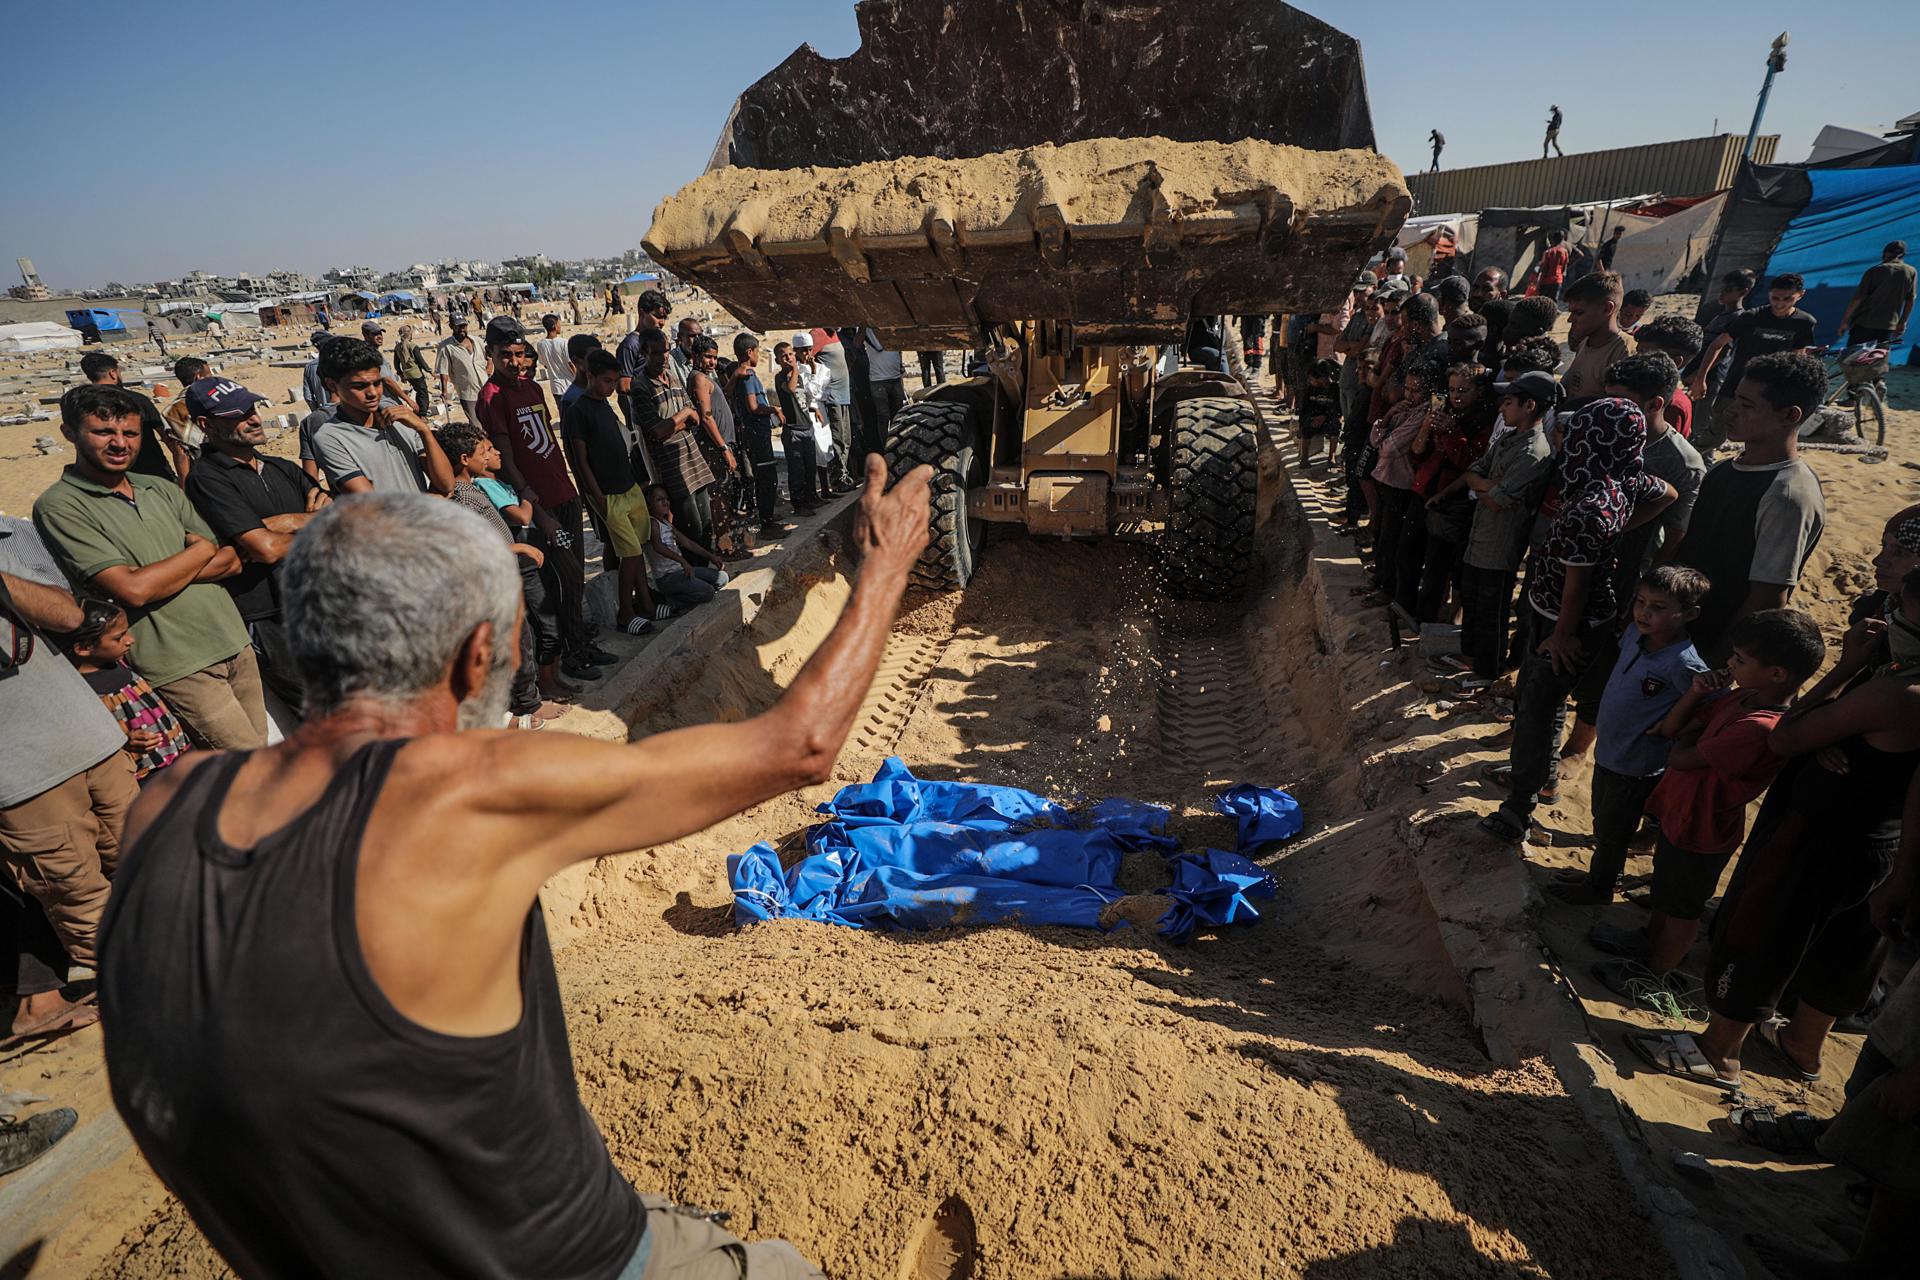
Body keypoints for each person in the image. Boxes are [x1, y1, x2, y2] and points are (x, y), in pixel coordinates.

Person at [98, 462, 930, 1279]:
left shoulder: (166, 805)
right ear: (476, 655)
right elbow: (801, 744)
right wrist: (885, 565)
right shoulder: (467, 795)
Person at [1631, 590, 1918, 1093]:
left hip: (1822, 836)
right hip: (1879, 844)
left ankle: (1717, 1052)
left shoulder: (1898, 690)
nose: (1890, 618)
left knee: (1763, 935)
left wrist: (1842, 675)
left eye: (1904, 613)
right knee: (1846, 952)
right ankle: (1800, 1046)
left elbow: (1786, 736)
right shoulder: (1896, 683)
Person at [1478, 398, 1677, 843]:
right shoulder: (1622, 480)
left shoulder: (1590, 507)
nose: (1563, 439)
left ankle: (1518, 808)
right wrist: (1617, 531)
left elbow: (1578, 583)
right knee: (1548, 703)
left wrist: (1563, 634)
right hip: (1576, 613)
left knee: (1535, 708)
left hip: (1566, 622)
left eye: (1574, 433)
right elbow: (1668, 493)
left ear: (1592, 440)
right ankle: (1546, 780)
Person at [1595, 608, 1817, 994]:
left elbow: (1679, 753)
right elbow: (1687, 723)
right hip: (1682, 813)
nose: (1730, 664)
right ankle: (1650, 943)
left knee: (1682, 909)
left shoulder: (1758, 728)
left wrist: (1683, 736)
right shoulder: (1743, 697)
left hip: (1703, 828)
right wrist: (1694, 702)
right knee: (1665, 891)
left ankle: (1654, 975)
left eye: (1741, 660)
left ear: (1777, 674)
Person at [35, 384, 267, 751]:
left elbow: (231, 560)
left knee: (261, 758)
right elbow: (131, 591)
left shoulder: (160, 488)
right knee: (246, 767)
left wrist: (156, 573)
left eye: (130, 433)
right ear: (69, 434)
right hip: (178, 661)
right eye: (103, 432)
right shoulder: (61, 506)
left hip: (232, 639)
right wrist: (198, 551)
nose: (119, 443)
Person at [0, 517, 140, 973]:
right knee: (74, 888)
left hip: (89, 735)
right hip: (20, 772)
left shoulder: (6, 535)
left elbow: (69, 615)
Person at [1545, 566, 1712, 909]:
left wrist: (1672, 727)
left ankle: (1600, 887)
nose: (1644, 612)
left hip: (1638, 764)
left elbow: (1706, 711)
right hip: (1610, 754)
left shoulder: (1684, 663)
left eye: (1659, 607)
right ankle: (1600, 876)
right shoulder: (1635, 635)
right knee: (1603, 821)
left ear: (1690, 614)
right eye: (1640, 601)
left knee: (1613, 833)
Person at [182, 376, 329, 718]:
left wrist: (285, 523)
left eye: (251, 409)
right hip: (271, 615)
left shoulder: (282, 467)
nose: (253, 419)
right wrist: (311, 524)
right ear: (207, 425)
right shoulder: (208, 479)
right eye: (238, 414)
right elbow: (265, 550)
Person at [1669, 351, 1826, 661]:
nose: (1730, 411)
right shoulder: (1723, 469)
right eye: (1736, 399)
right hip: (1673, 636)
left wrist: (1716, 663)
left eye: (1747, 405)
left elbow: (1768, 595)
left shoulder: (1788, 495)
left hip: (1706, 649)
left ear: (1790, 415)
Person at [476, 317, 608, 685]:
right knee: (560, 583)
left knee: (575, 577)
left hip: (563, 491)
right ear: (491, 354)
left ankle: (580, 642)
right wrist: (539, 511)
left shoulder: (532, 389)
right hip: (540, 505)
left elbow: (545, 441)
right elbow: (508, 459)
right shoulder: (490, 398)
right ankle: (569, 655)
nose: (515, 363)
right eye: (506, 355)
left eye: (520, 354)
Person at [434, 423, 568, 728]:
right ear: (465, 459)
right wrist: (516, 547)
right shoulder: (463, 498)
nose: (489, 455)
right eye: (483, 452)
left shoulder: (471, 489)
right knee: (517, 642)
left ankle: (527, 699)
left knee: (523, 638)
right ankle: (528, 707)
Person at [1451, 369, 1556, 680]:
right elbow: (1472, 472)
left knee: (1491, 613)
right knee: (1473, 602)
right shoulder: (1511, 439)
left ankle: (1487, 671)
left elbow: (1498, 500)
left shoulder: (1533, 452)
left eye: (1508, 402)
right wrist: (1488, 484)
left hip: (1500, 546)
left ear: (1530, 406)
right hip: (1481, 539)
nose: (1501, 408)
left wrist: (1484, 486)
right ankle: (1470, 658)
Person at [562, 352, 669, 638]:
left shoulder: (605, 406)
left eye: (613, 381)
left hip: (628, 487)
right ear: (590, 377)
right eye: (606, 381)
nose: (610, 387)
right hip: (607, 494)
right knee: (630, 554)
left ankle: (645, 603)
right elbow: (580, 460)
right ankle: (626, 612)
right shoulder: (577, 410)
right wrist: (596, 497)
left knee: (640, 547)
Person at [52, 596, 191, 782]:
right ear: (84, 648)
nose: (130, 640)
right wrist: (124, 740)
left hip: (179, 754)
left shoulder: (119, 663)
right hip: (147, 775)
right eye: (119, 637)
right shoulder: (80, 691)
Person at [1688, 272, 1816, 455]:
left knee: (1761, 435)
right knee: (1717, 434)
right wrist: (1701, 378)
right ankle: (1688, 458)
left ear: (1800, 295)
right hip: (1736, 386)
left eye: (1787, 299)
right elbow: (1718, 344)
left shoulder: (1804, 323)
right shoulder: (1752, 317)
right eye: (1775, 298)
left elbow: (1798, 358)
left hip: (1772, 392)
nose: (1779, 304)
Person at [309, 339, 456, 498]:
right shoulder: (331, 437)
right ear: (331, 385)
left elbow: (446, 483)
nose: (373, 393)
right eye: (359, 386)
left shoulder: (403, 421)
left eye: (377, 383)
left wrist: (424, 430)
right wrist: (435, 498)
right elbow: (375, 504)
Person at [631, 327, 719, 549]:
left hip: (693, 463)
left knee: (707, 523)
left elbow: (696, 417)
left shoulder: (672, 378)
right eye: (657, 353)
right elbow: (659, 431)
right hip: (673, 469)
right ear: (644, 353)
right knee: (692, 527)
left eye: (666, 351)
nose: (663, 357)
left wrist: (676, 422)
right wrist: (683, 416)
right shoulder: (641, 387)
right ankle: (699, 574)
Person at [80, 350, 187, 484]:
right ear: (112, 373)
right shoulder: (138, 400)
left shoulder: (83, 404)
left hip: (109, 477)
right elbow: (168, 438)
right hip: (152, 473)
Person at [686, 336, 740, 552]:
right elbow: (706, 416)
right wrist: (723, 448)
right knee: (718, 498)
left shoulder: (708, 377)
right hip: (714, 448)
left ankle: (727, 544)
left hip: (720, 445)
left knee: (723, 495)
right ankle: (725, 547)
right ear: (696, 356)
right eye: (708, 357)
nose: (712, 362)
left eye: (715, 358)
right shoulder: (699, 378)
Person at [730, 333, 786, 537]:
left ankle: (768, 518)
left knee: (764, 477)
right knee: (766, 478)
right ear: (749, 352)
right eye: (757, 350)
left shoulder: (741, 374)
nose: (758, 354)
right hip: (757, 434)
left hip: (753, 433)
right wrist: (774, 410)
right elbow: (753, 406)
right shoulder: (748, 375)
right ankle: (767, 524)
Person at [644, 486, 732, 607]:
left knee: (723, 578)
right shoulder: (652, 523)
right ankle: (670, 601)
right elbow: (658, 547)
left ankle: (690, 590)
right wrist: (682, 561)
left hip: (680, 571)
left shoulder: (666, 523)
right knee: (708, 592)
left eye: (666, 499)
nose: (665, 502)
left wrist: (711, 556)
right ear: (649, 505)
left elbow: (688, 543)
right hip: (667, 578)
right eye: (659, 499)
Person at [1631, 316, 1704, 438]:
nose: (1635, 359)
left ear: (1674, 361)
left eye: (1644, 353)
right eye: (1637, 352)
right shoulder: (1641, 389)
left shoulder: (1672, 406)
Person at [1836, 239, 1916, 349]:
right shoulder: (1911, 272)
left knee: (1853, 359)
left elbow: (1857, 299)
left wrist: (1844, 322)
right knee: (1878, 360)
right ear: (1902, 255)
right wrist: (1903, 322)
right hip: (1888, 326)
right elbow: (1910, 300)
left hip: (1864, 323)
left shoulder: (1874, 271)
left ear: (1885, 253)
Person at [776, 339, 821, 516]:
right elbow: (791, 389)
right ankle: (799, 504)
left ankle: (811, 498)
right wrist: (795, 368)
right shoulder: (781, 377)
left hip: (805, 426)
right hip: (793, 430)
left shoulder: (800, 376)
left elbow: (801, 399)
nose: (788, 358)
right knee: (797, 471)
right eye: (783, 356)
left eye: (790, 354)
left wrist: (813, 409)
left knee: (810, 467)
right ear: (778, 360)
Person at [617, 289, 672, 427]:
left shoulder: (659, 340)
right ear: (642, 313)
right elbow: (623, 386)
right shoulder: (631, 344)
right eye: (658, 316)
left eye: (664, 318)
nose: (662, 322)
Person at [812, 328, 855, 492]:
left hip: (843, 395)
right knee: (837, 439)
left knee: (846, 439)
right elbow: (807, 360)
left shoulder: (834, 334)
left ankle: (844, 475)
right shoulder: (817, 333)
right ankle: (837, 480)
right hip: (832, 397)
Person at [861, 329, 906, 460]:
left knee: (898, 415)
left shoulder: (889, 327)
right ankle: (886, 450)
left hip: (895, 378)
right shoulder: (867, 330)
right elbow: (857, 343)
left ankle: (897, 445)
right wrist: (863, 327)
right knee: (883, 416)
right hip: (878, 380)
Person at [435, 314, 487, 427]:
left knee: (493, 420)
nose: (462, 329)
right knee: (476, 424)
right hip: (467, 391)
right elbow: (443, 371)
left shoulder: (477, 341)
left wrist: (489, 370)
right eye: (458, 326)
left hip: (486, 388)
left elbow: (490, 355)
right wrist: (444, 391)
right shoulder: (446, 347)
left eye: (464, 326)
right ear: (451, 327)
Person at [358, 320, 418, 411]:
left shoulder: (372, 352)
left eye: (380, 334)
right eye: (375, 334)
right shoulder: (371, 355)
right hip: (385, 402)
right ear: (365, 336)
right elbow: (387, 381)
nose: (379, 337)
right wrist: (408, 400)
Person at [1297, 358, 1341, 469]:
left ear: (1321, 378)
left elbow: (1338, 410)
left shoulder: (1335, 389)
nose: (1310, 380)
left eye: (1312, 378)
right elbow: (1304, 409)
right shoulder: (1310, 389)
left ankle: (1332, 456)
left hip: (1329, 418)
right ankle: (1304, 458)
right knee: (1306, 427)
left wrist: (1324, 416)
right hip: (1314, 418)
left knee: (1335, 425)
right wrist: (1302, 425)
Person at [393, 324, 432, 418]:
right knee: (423, 393)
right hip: (416, 373)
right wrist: (429, 370)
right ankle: (422, 414)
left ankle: (419, 410)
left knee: (418, 391)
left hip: (407, 374)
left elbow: (396, 363)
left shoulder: (398, 347)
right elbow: (420, 361)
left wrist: (401, 374)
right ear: (409, 334)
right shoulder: (412, 346)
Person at [535, 315, 572, 402]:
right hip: (570, 385)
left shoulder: (541, 345)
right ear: (554, 326)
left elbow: (545, 365)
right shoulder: (564, 343)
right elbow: (571, 364)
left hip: (556, 387)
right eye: (559, 324)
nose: (560, 326)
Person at [1531, 232, 1571, 304]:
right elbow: (1564, 267)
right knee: (1553, 301)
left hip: (1546, 281)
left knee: (1543, 301)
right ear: (1562, 239)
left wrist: (1538, 283)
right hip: (1558, 280)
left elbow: (1544, 269)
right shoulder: (1565, 252)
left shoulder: (1548, 252)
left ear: (1552, 239)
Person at [301, 330, 333, 413]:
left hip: (324, 411)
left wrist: (317, 411)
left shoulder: (310, 367)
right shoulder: (339, 361)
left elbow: (308, 397)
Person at [669, 317, 702, 383]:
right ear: (680, 337)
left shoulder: (704, 357)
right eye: (692, 336)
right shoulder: (670, 361)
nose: (697, 340)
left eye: (700, 335)